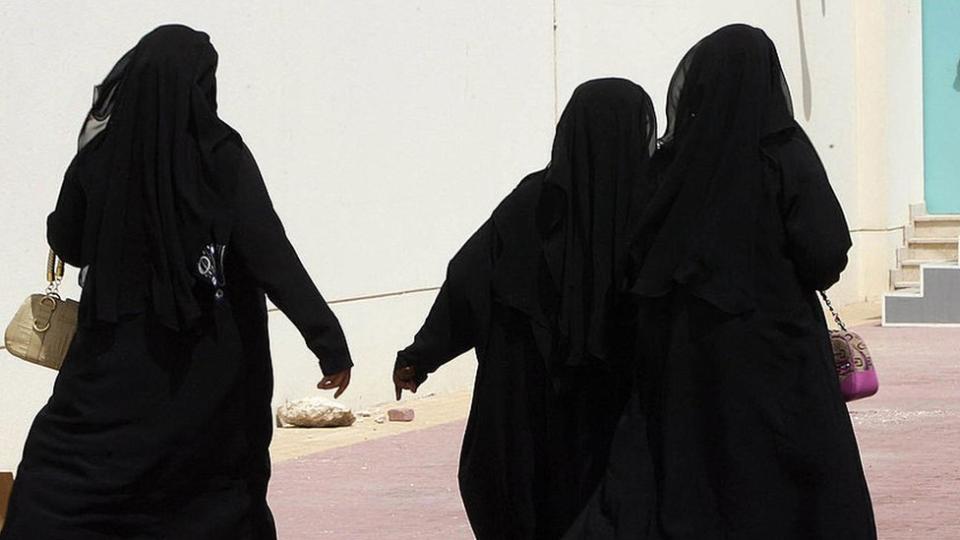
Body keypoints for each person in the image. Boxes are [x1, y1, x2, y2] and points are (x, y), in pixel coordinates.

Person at [1, 25, 352, 540]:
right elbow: (269, 253)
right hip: (208, 368)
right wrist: (328, 341)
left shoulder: (99, 153)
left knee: (72, 471)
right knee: (210, 491)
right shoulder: (221, 153)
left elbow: (68, 240)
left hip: (114, 364)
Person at [563, 24, 876, 539]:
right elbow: (825, 253)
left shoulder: (674, 160)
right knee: (789, 479)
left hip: (687, 356)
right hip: (779, 354)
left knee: (697, 476)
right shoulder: (783, 152)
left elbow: (638, 252)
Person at [393, 78, 658, 539]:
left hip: (525, 420)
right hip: (612, 420)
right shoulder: (653, 216)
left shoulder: (529, 206)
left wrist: (421, 356)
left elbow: (468, 279)